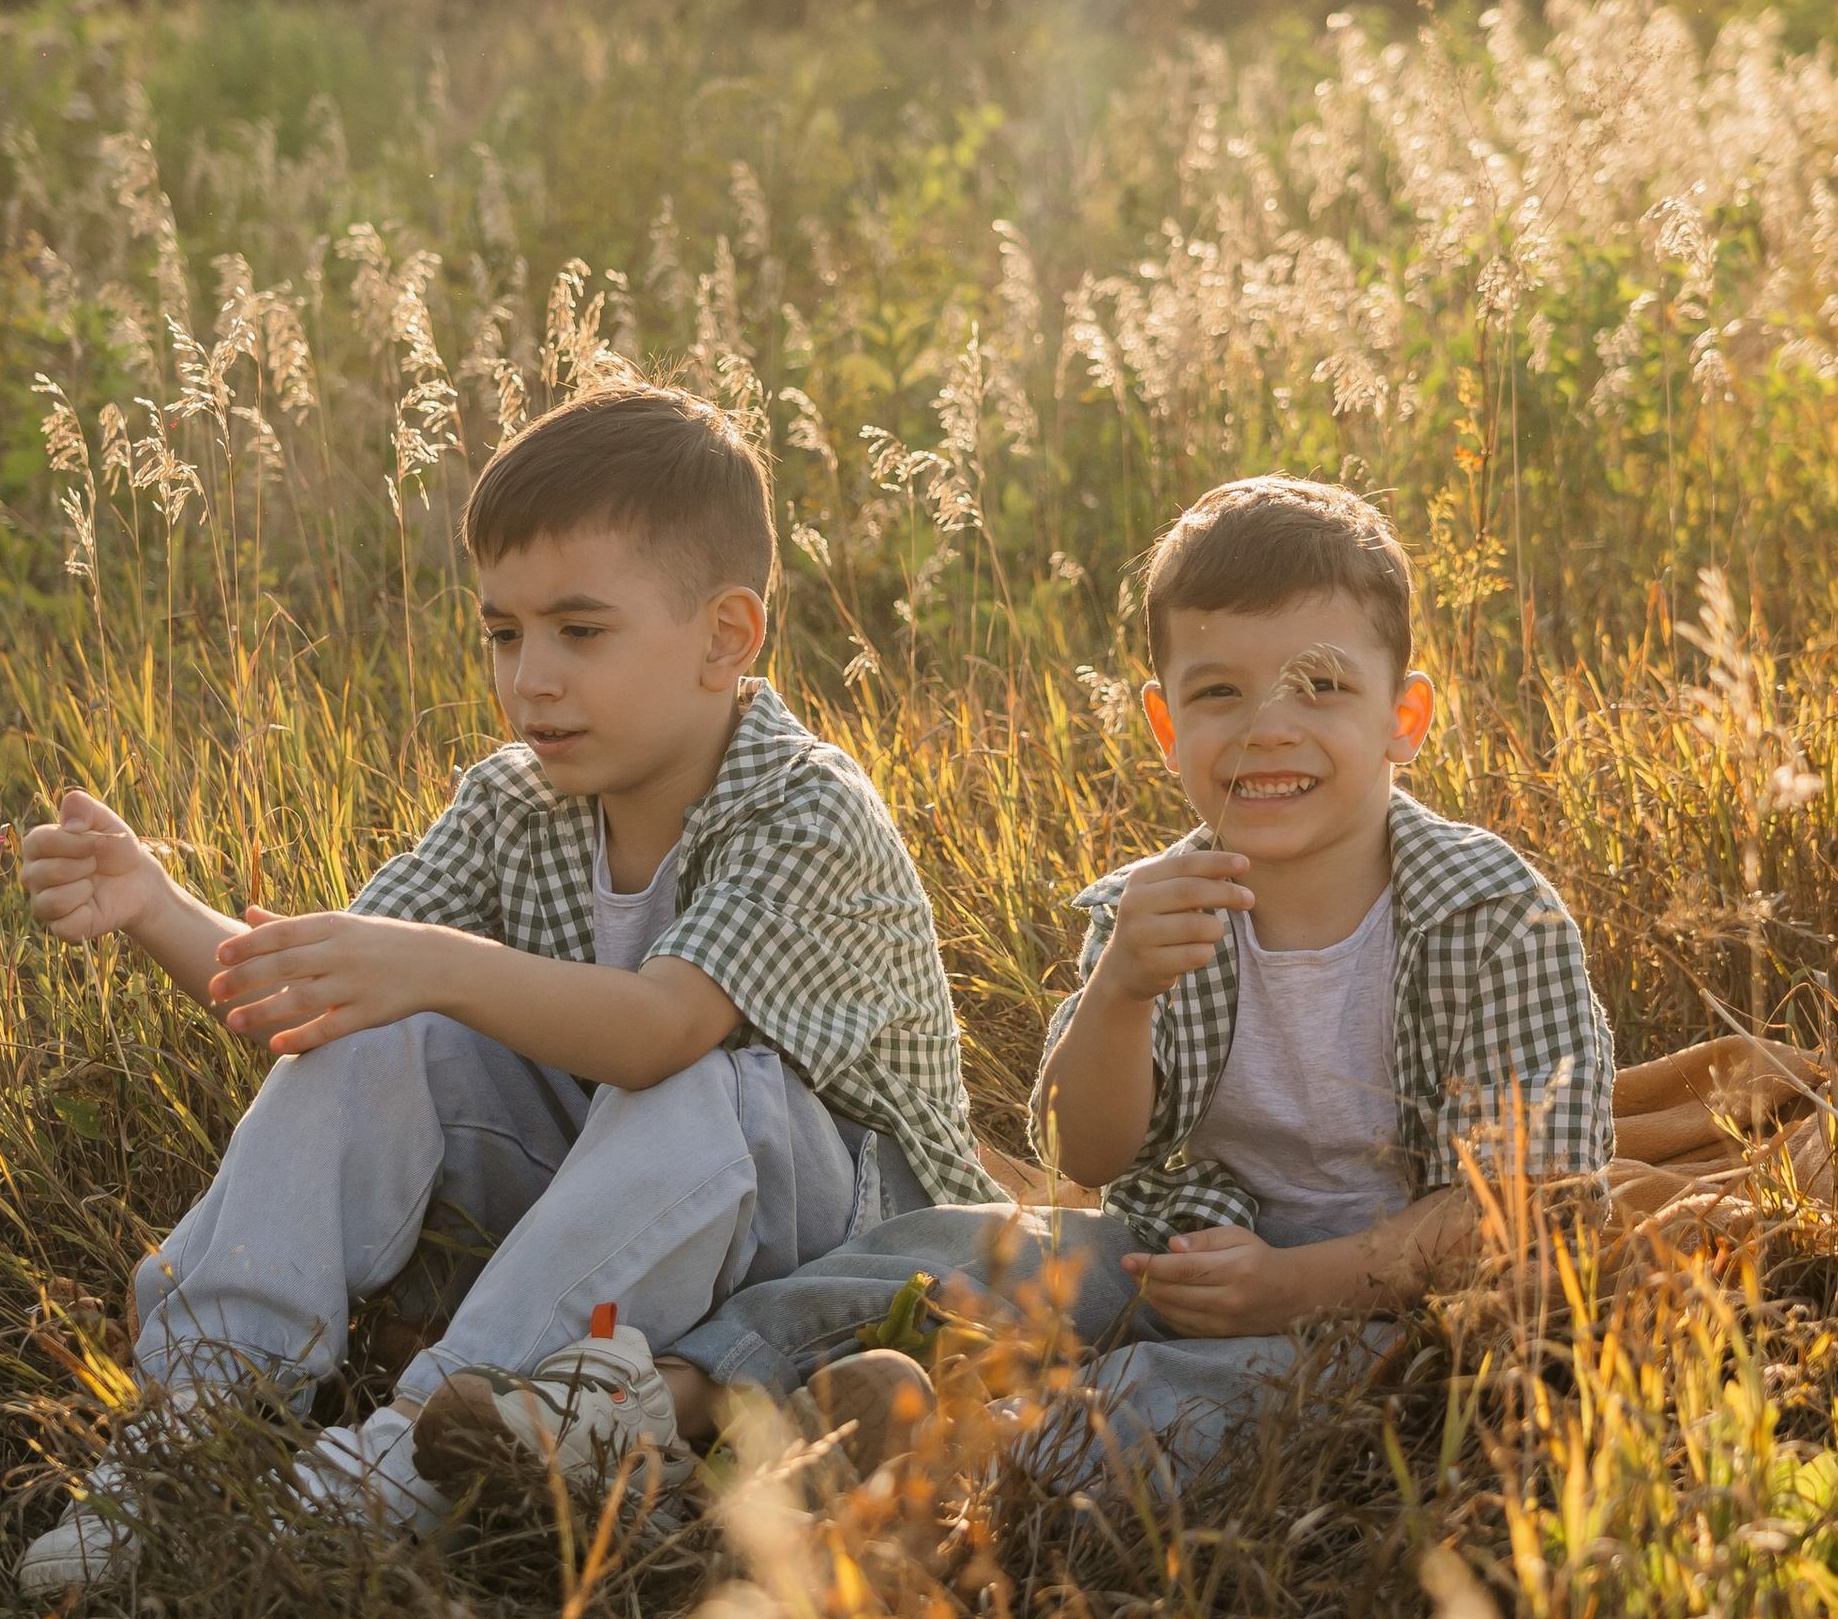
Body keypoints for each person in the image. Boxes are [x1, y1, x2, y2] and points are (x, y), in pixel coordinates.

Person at [14, 383, 1000, 1587]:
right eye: (503, 632)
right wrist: (154, 905)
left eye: (580, 632)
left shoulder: (802, 808)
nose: (530, 678)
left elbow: (657, 1035)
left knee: (697, 1075)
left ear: (726, 638)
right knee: (376, 1034)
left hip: (844, 1238)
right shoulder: (513, 801)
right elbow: (320, 1000)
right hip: (626, 1211)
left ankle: (410, 1459)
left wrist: (431, 967)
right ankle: (191, 1419)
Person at [671, 474, 1615, 1461]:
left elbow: (1527, 1212)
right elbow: (1087, 1158)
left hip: (1388, 1308)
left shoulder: (1493, 918)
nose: (1267, 727)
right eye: (1219, 693)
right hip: (1182, 1253)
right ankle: (653, 1403)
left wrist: (1291, 1287)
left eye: (1322, 686)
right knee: (942, 1243)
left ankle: (950, 1460)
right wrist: (1121, 989)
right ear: (1168, 728)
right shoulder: (1154, 908)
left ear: (1403, 718)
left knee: (1175, 1394)